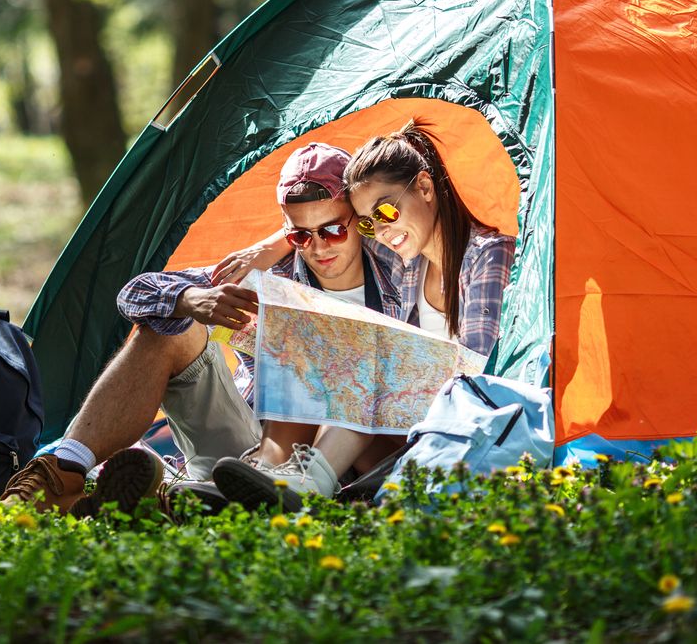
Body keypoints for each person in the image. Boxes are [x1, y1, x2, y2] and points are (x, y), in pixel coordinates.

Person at [0, 143, 399, 515]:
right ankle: (62, 472)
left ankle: (169, 501)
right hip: (252, 457)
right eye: (300, 234)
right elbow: (134, 294)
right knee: (168, 325)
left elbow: (405, 166)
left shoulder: (400, 266)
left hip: (351, 461)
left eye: (333, 229)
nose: (319, 247)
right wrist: (192, 300)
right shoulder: (265, 274)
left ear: (358, 216)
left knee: (363, 363)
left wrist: (276, 241)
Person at [211, 120, 516, 510]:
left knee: (371, 354)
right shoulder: (409, 265)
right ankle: (291, 477)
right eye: (372, 222)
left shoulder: (486, 255)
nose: (383, 230)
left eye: (387, 210)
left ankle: (305, 483)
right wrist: (276, 245)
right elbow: (326, 223)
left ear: (425, 188)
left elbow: (480, 378)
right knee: (347, 346)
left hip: (472, 428)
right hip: (407, 431)